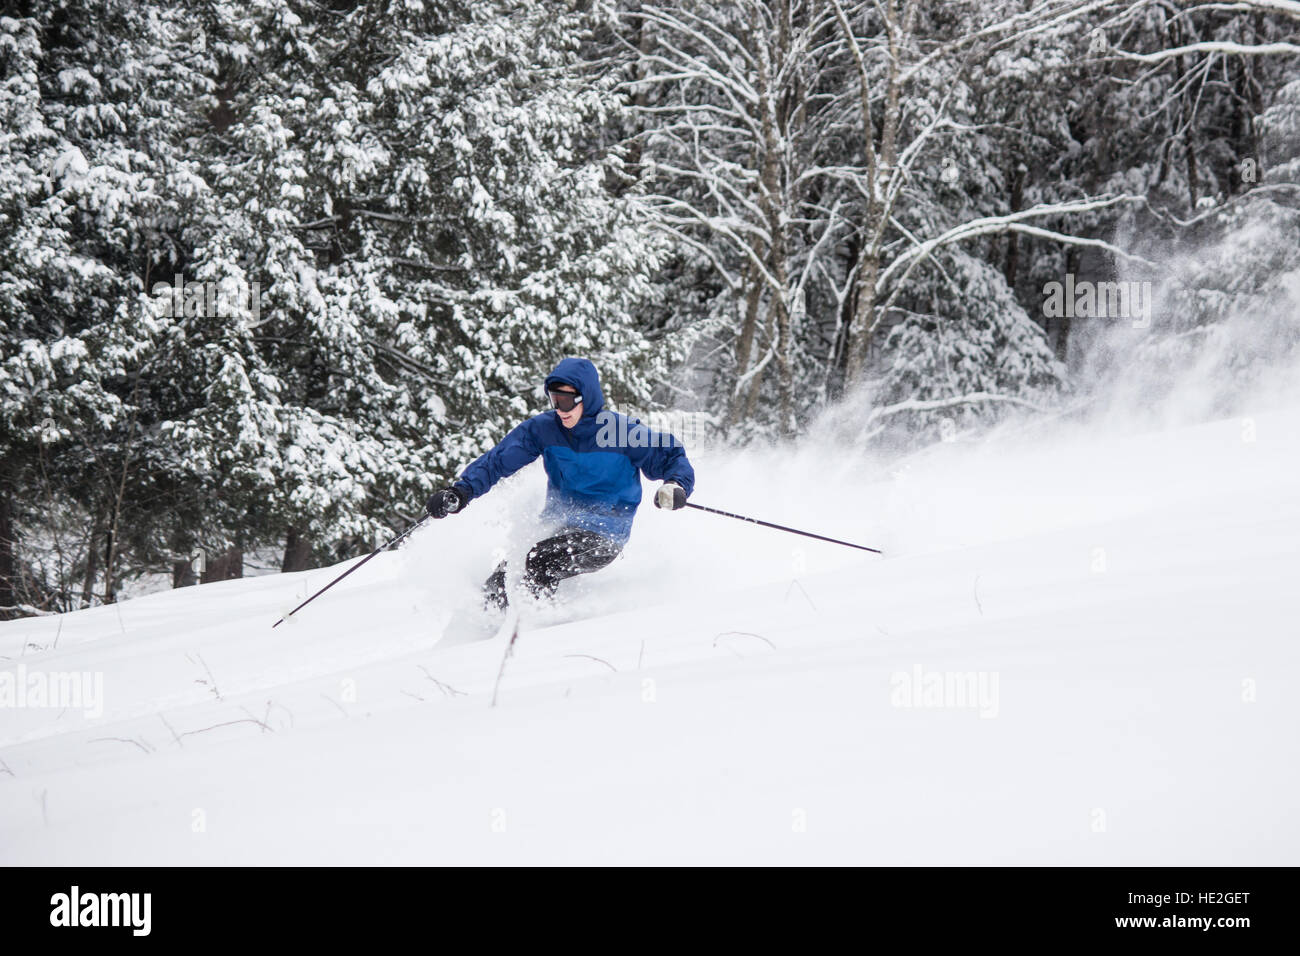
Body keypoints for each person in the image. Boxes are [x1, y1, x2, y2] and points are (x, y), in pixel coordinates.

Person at [425, 357, 696, 610]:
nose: (560, 409)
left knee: (539, 560)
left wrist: (675, 485)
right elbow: (497, 461)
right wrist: (462, 491)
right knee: (505, 576)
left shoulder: (619, 431)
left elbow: (669, 455)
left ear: (586, 398)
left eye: (566, 401)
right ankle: (481, 632)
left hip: (605, 533)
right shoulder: (544, 430)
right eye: (555, 400)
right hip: (560, 525)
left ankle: (534, 627)